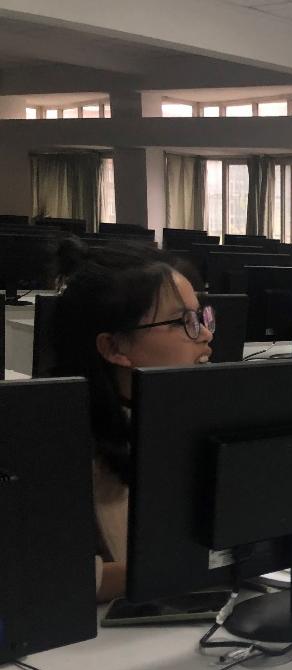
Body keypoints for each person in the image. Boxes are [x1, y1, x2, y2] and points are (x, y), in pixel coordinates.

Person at [48, 239, 214, 602]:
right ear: (114, 347)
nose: (204, 334)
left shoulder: (189, 422)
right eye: (184, 322)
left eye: (200, 317)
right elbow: (46, 578)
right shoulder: (58, 452)